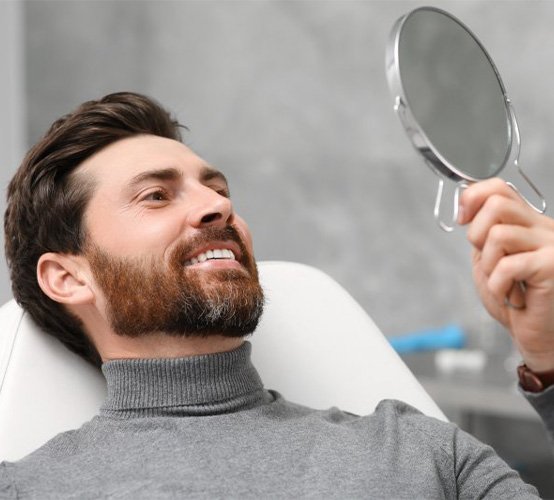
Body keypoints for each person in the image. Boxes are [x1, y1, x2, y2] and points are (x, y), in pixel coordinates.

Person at [0, 92, 549, 498]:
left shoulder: (420, 452)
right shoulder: (30, 489)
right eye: (156, 195)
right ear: (68, 278)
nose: (218, 208)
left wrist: (549, 356)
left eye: (217, 190)